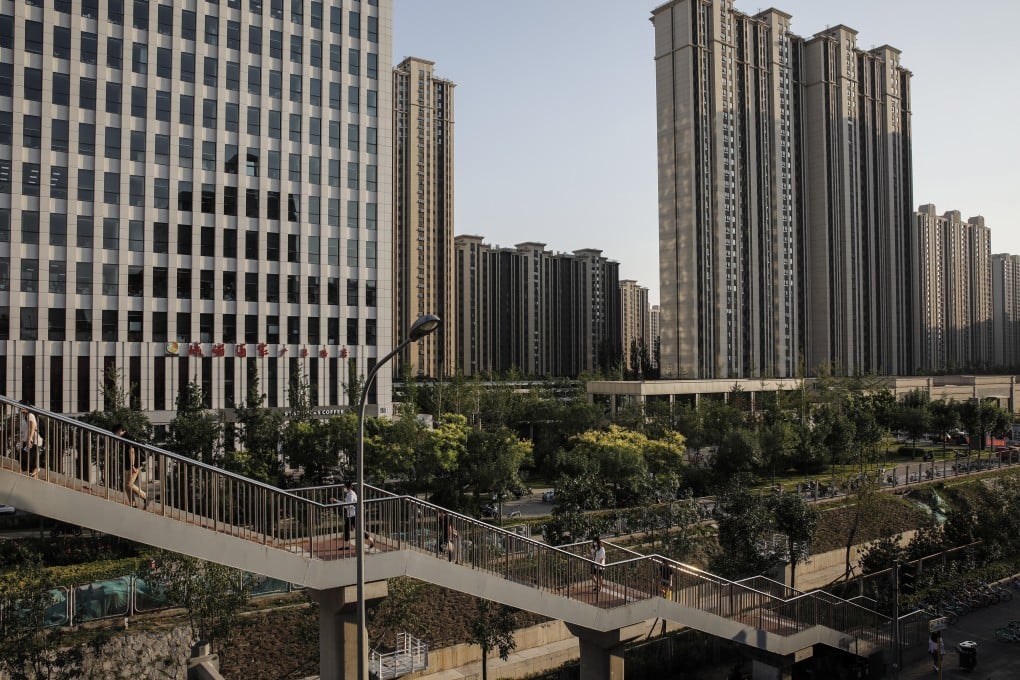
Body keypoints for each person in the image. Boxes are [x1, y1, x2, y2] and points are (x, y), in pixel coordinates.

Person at [114, 425, 148, 510]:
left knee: (129, 484)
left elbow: (132, 451)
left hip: (133, 465)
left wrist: (133, 465)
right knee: (126, 486)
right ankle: (133, 504)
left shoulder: (128, 437)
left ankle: (146, 497)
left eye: (115, 433)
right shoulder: (125, 437)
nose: (115, 435)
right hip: (128, 464)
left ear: (120, 430)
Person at [19, 401, 43, 477]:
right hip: (27, 440)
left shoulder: (30, 415)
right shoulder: (24, 416)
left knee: (27, 457)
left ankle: (36, 468)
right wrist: (18, 439)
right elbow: (23, 430)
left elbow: (32, 427)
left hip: (33, 440)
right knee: (24, 458)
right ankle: (33, 472)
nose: (19, 408)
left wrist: (30, 438)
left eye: (21, 406)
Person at [342, 482, 357, 547]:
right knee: (346, 529)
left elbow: (349, 505)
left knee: (359, 530)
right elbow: (345, 503)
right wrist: (335, 500)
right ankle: (346, 545)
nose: (344, 488)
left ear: (349, 488)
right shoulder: (348, 494)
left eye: (345, 487)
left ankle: (371, 539)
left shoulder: (351, 495)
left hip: (353, 515)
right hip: (350, 515)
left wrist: (344, 506)